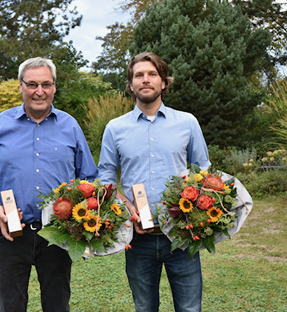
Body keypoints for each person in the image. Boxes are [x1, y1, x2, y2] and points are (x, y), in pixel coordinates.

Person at [0, 57, 98, 312]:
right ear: (21, 86)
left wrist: (83, 214)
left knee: (57, 305)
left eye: (46, 84)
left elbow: (89, 179)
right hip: (10, 234)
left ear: (55, 87)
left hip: (58, 233)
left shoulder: (70, 126)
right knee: (11, 306)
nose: (39, 91)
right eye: (32, 84)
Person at [98, 52, 211, 312]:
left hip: (183, 236)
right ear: (130, 85)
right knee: (144, 308)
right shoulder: (115, 128)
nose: (145, 80)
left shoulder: (187, 122)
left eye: (152, 74)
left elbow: (202, 171)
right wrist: (127, 207)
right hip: (137, 240)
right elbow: (106, 179)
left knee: (190, 308)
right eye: (139, 75)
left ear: (163, 82)